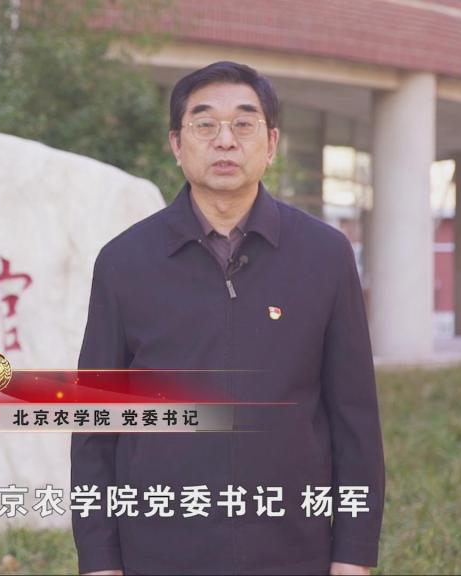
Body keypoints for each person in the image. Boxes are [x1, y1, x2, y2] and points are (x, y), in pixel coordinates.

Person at [71, 61, 385, 576]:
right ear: (177, 144)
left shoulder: (325, 256)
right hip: (158, 552)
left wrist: (353, 556)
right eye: (204, 124)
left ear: (271, 142)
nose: (224, 140)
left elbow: (355, 422)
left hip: (292, 551)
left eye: (243, 123)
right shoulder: (124, 262)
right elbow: (94, 429)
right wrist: (100, 561)